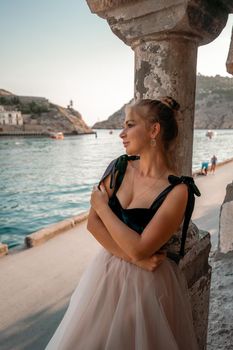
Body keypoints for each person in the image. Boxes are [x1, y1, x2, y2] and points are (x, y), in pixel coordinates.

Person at [45, 97, 200, 350]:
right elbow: (92, 225)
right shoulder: (118, 168)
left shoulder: (178, 191)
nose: (121, 134)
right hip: (105, 275)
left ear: (153, 130)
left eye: (129, 125)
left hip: (150, 286)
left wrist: (102, 206)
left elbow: (141, 248)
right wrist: (135, 259)